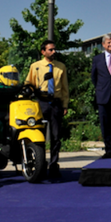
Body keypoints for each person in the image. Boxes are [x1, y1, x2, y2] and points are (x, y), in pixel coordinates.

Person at [26, 40, 69, 179]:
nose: (53, 52)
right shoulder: (36, 66)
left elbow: (64, 88)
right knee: (40, 136)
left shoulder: (61, 67)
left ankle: (54, 165)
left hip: (56, 103)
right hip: (41, 103)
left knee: (56, 137)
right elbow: (29, 84)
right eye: (50, 50)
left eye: (54, 49)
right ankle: (40, 164)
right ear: (43, 52)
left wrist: (65, 105)